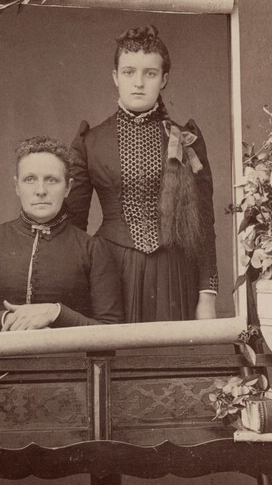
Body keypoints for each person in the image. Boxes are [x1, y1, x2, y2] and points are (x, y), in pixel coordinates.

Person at [67, 25, 218, 323]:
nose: (138, 83)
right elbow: (73, 230)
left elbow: (203, 223)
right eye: (128, 72)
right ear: (115, 77)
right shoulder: (90, 141)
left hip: (175, 272)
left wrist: (207, 295)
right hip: (110, 272)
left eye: (149, 73)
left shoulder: (186, 139)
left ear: (164, 80)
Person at [0, 136, 123, 334]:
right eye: (30, 179)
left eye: (51, 180)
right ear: (16, 186)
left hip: (69, 364)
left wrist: (55, 313)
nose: (40, 191)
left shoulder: (93, 249)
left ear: (68, 188)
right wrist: (7, 319)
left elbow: (111, 329)